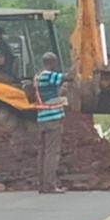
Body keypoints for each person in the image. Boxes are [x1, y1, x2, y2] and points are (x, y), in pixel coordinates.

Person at [35, 52, 69, 194]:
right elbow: (68, 77)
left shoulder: (38, 76)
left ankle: (42, 184)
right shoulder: (48, 75)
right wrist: (79, 62)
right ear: (53, 63)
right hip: (52, 119)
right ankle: (49, 185)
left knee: (43, 152)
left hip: (42, 118)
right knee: (51, 153)